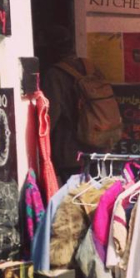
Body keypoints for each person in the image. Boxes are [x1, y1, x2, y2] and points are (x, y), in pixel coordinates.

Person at [40, 25, 82, 182]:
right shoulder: (89, 67)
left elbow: (50, 117)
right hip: (98, 145)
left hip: (70, 151)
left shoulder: (54, 75)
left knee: (72, 201)